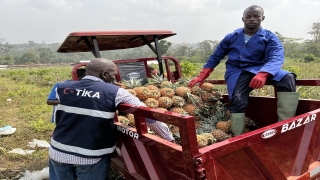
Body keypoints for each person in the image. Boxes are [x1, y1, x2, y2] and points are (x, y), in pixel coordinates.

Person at [49, 58, 174, 180]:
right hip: (90, 157)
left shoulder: (62, 87)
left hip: (58, 151)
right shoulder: (115, 92)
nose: (114, 78)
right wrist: (169, 139)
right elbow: (147, 115)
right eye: (113, 75)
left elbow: (56, 115)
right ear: (105, 74)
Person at [188, 5, 299, 136]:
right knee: (238, 99)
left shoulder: (270, 37)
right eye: (248, 16)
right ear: (243, 19)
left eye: (256, 16)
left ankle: (285, 128)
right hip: (237, 71)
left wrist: (264, 74)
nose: (252, 19)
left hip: (261, 69)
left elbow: (276, 56)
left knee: (287, 78)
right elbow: (216, 56)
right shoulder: (232, 37)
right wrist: (202, 76)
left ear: (262, 18)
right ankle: (238, 136)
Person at [46, 68, 86, 180]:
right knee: (60, 144)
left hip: (77, 119)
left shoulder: (87, 87)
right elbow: (50, 100)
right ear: (76, 77)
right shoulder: (61, 85)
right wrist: (68, 99)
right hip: (62, 119)